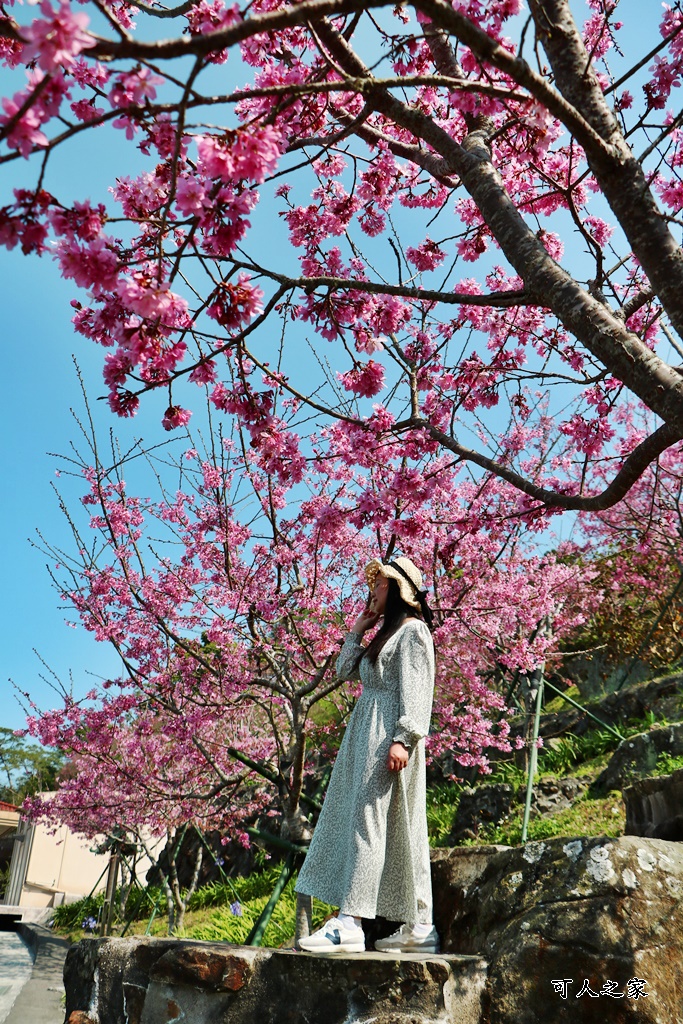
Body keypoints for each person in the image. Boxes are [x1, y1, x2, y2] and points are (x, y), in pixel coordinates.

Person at [296, 555, 438, 954]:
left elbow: (417, 690)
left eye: (378, 584)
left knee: (368, 822)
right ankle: (420, 927)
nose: (371, 590)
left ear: (395, 587)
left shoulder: (413, 633)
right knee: (394, 827)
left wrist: (404, 738)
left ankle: (351, 921)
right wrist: (358, 630)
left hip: (388, 737)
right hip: (367, 732)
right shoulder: (387, 634)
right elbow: (344, 670)